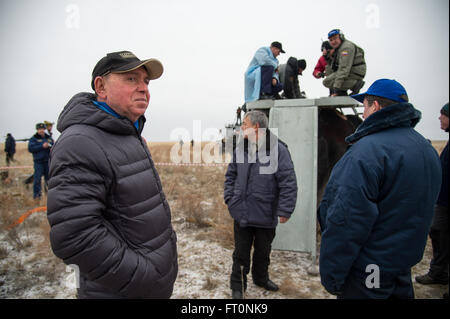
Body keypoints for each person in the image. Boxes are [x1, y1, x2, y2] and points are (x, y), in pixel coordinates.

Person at [46, 50, 178, 299]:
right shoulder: (79, 143)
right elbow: (75, 236)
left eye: (146, 82)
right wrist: (144, 275)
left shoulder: (128, 133)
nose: (143, 89)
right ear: (101, 86)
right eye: (131, 79)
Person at [318, 79, 442, 299]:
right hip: (402, 266)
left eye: (364, 106)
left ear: (375, 106)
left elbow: (345, 220)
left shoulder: (366, 152)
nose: (363, 113)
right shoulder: (426, 149)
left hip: (369, 272)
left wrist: (332, 275)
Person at [224, 110, 298, 299]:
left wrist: (285, 209)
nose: (241, 128)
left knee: (263, 252)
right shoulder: (241, 148)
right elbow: (231, 175)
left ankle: (261, 278)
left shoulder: (278, 150)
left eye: (245, 125)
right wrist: (230, 198)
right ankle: (238, 286)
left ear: (256, 127)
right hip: (242, 212)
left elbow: (288, 182)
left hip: (266, 212)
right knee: (241, 253)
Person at [415, 103, 449, 288]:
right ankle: (439, 272)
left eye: (443, 115)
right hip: (442, 200)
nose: (439, 118)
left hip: (445, 202)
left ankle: (440, 273)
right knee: (438, 234)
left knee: (440, 233)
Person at [323, 29, 366, 96]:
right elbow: (333, 67)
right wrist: (327, 57)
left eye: (335, 38)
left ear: (341, 37)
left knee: (327, 82)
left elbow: (344, 68)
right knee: (329, 80)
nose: (333, 42)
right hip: (351, 70)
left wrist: (336, 88)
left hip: (354, 71)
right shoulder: (339, 48)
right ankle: (342, 92)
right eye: (331, 40)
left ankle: (355, 84)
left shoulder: (346, 48)